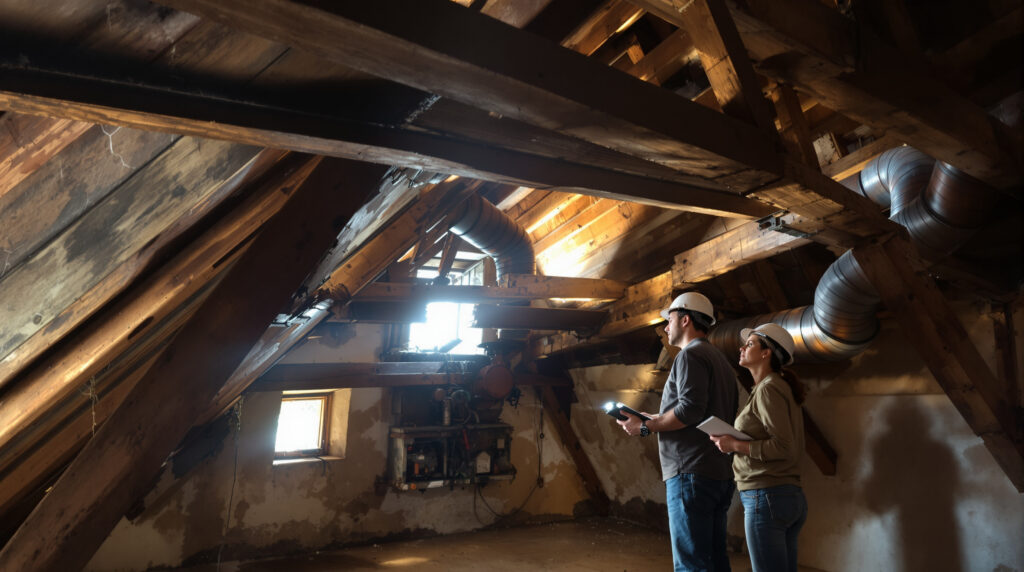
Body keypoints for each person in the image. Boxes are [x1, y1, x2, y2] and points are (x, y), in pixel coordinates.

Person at [617, 292, 739, 572]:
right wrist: (653, 416)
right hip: (717, 472)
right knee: (715, 560)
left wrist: (645, 427)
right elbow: (699, 410)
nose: (665, 327)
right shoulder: (720, 361)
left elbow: (689, 411)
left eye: (669, 320)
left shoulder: (690, 355)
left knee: (691, 564)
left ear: (685, 320)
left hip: (690, 472)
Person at [709, 323, 807, 572]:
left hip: (767, 496)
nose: (742, 347)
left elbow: (783, 447)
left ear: (767, 353)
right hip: (785, 495)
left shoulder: (768, 389)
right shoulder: (775, 387)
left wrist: (734, 444)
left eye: (750, 343)